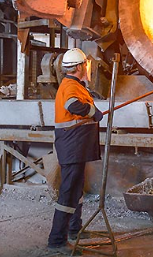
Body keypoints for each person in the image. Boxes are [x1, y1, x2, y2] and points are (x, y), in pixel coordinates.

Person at [47, 48, 103, 253]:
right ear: (79, 66)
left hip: (76, 146)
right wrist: (93, 112)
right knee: (69, 192)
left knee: (77, 190)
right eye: (85, 64)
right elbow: (72, 105)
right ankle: (57, 241)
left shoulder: (75, 84)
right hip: (72, 146)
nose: (87, 68)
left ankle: (74, 229)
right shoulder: (70, 85)